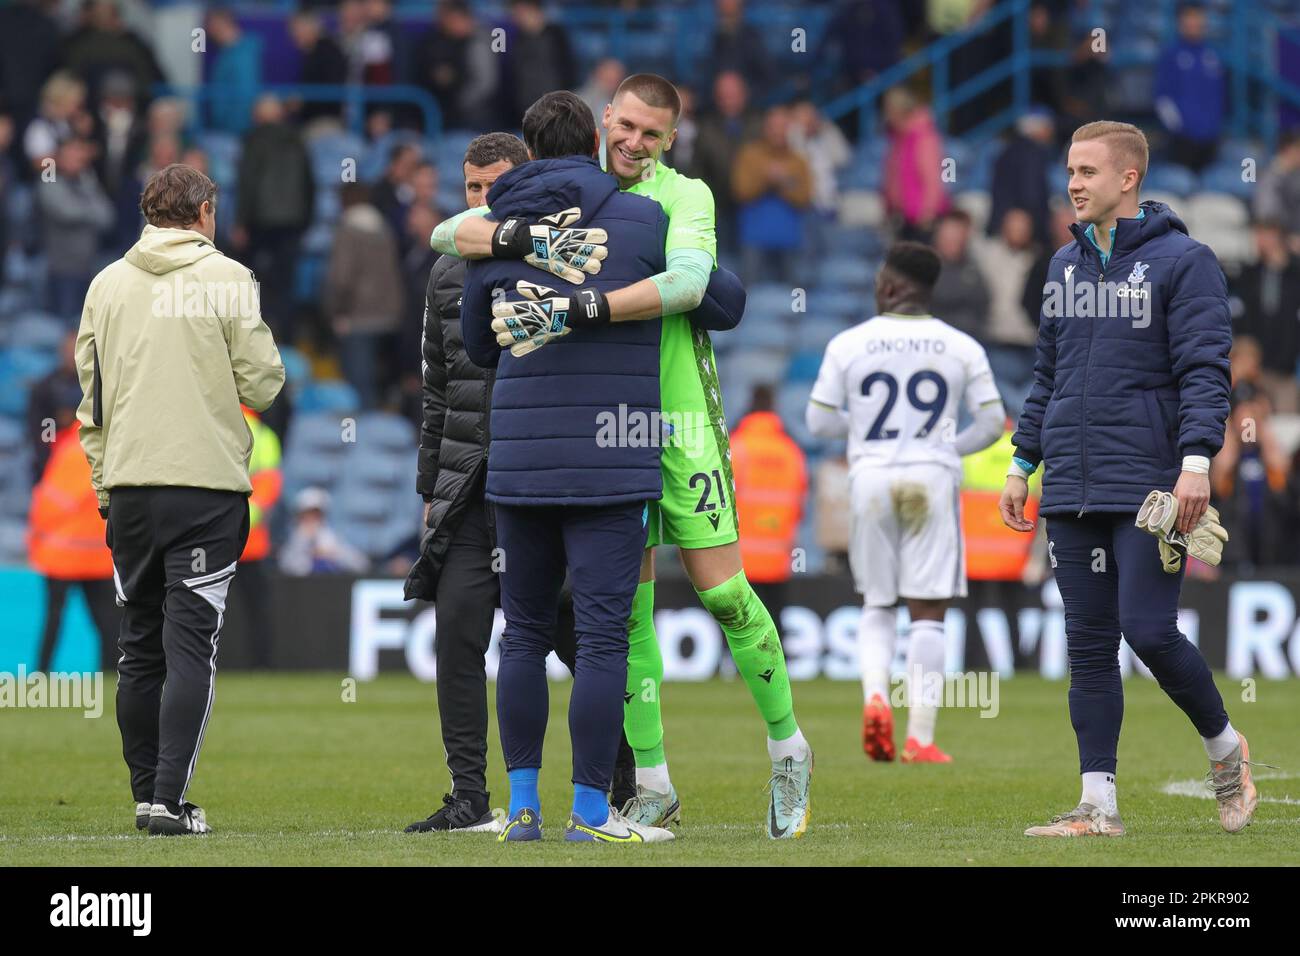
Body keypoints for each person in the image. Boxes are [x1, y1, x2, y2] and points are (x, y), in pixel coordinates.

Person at [431, 73, 812, 840]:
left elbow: (696, 284)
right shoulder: (580, 196)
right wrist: (529, 238)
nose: (635, 143)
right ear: (605, 120)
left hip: (681, 426)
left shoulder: (684, 198)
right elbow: (453, 232)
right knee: (626, 617)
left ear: (671, 139)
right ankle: (656, 783)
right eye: (626, 127)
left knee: (725, 595)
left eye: (652, 134)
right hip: (611, 428)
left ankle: (788, 748)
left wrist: (580, 303)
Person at [1000, 121, 1254, 837]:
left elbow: (1205, 370)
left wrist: (1196, 464)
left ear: (1128, 179)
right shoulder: (1062, 267)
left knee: (1146, 630)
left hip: (1150, 484)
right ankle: (1097, 806)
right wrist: (1024, 463)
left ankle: (1226, 750)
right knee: (1086, 643)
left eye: (1086, 171)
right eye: (1070, 170)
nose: (1073, 183)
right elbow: (1048, 376)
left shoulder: (1186, 262)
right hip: (1074, 483)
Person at [459, 91, 674, 844]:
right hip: (614, 454)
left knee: (520, 634)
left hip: (520, 458)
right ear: (593, 140)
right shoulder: (643, 218)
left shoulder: (488, 235)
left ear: (525, 145)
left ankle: (521, 811)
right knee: (605, 638)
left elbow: (481, 350)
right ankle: (590, 814)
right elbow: (706, 295)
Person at [403, 131, 617, 833]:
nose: (482, 199)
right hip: (469, 491)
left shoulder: (564, 260)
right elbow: (436, 394)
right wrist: (430, 490)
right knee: (457, 636)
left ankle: (616, 789)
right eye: (470, 188)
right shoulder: (444, 271)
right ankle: (470, 797)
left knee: (577, 642)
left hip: (538, 485)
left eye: (494, 185)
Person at [76, 163, 285, 835]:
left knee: (139, 647)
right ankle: (170, 800)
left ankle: (145, 797)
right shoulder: (228, 279)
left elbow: (92, 403)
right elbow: (264, 384)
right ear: (202, 215)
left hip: (131, 490)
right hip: (204, 489)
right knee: (192, 645)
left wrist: (106, 488)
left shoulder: (105, 285)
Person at [807, 241, 1006, 763]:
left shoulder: (850, 343)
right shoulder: (961, 346)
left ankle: (875, 696)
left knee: (877, 601)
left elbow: (818, 421)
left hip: (871, 477)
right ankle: (920, 736)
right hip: (930, 480)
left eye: (879, 281)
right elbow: (990, 422)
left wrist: (866, 438)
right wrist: (943, 447)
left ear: (893, 287)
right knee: (929, 610)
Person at [29, 421, 120, 673]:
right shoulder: (110, 448)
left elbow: (51, 500)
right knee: (108, 622)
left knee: (54, 620)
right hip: (98, 554)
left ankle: (41, 674)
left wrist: (37, 538)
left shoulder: (73, 448)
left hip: (62, 553)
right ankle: (112, 675)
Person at [730, 385, 807, 641]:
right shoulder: (791, 451)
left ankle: (733, 670)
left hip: (739, 556)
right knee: (774, 623)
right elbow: (799, 504)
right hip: (778, 555)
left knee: (741, 624)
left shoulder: (737, 447)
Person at [323, 182, 404, 408]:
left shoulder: (348, 229)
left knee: (359, 386)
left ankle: (363, 438)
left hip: (358, 318)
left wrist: (337, 312)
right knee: (380, 383)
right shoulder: (383, 227)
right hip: (389, 314)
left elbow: (342, 278)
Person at [731, 105, 813, 286]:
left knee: (796, 297)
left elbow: (805, 198)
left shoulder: (799, 160)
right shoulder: (749, 155)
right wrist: (766, 179)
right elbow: (741, 191)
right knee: (748, 294)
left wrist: (783, 182)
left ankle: (798, 314)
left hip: (789, 239)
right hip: (753, 238)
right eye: (773, 127)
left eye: (783, 127)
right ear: (765, 129)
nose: (778, 132)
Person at [1154, 2, 1224, 173]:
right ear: (1180, 22)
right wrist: (1179, 128)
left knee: (1211, 192)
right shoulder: (1171, 54)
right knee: (1180, 185)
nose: (1194, 23)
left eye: (1197, 18)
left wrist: (1214, 125)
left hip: (1210, 137)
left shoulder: (1213, 55)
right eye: (1189, 18)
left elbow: (1220, 96)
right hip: (1182, 140)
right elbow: (1162, 97)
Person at [278, 487, 369, 576]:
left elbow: (361, 564)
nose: (312, 519)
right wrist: (305, 542)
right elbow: (290, 567)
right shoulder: (295, 540)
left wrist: (333, 554)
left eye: (316, 514)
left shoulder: (331, 538)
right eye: (308, 514)